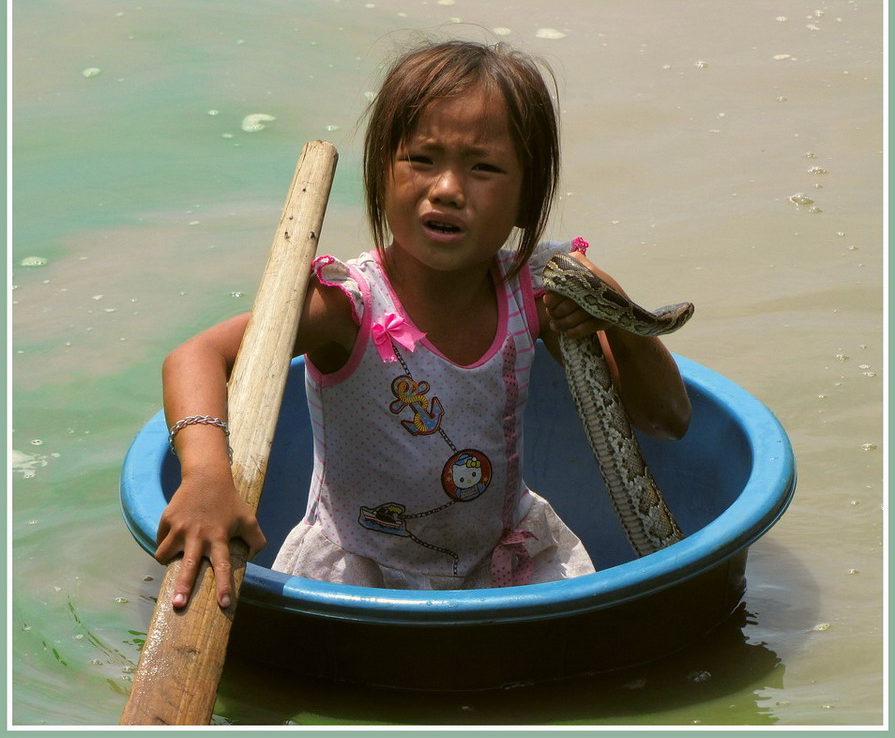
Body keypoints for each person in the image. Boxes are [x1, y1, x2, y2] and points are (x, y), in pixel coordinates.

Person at [157, 40, 692, 608]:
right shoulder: (348, 305)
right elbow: (196, 356)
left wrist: (619, 316)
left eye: (483, 167)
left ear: (526, 198)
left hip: (505, 565)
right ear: (381, 173)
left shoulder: (542, 288)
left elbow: (667, 420)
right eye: (421, 159)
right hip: (362, 579)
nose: (447, 189)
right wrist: (207, 477)